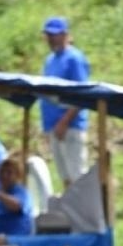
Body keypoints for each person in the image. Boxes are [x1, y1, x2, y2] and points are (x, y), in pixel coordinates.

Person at [39, 16, 91, 186]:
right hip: (54, 126)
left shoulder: (74, 58)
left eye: (54, 35)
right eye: (48, 35)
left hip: (70, 125)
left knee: (77, 175)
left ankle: (81, 211)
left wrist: (65, 121)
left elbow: (82, 93)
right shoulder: (50, 60)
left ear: (64, 35)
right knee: (65, 177)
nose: (51, 39)